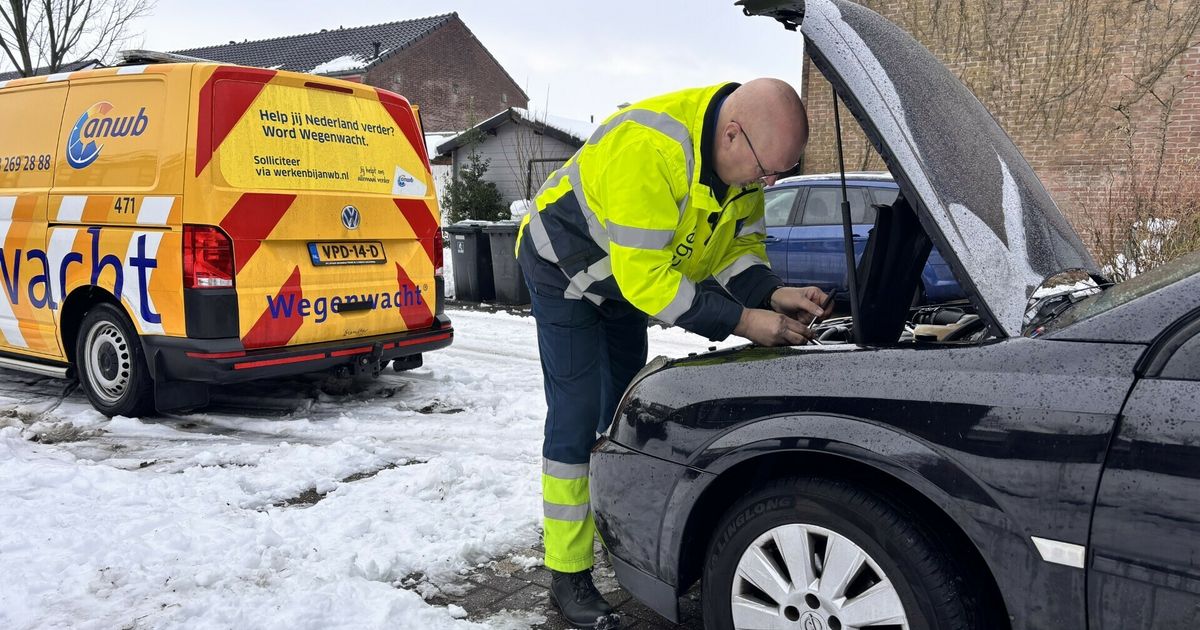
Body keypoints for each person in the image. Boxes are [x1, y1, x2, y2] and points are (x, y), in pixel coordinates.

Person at [515, 78, 829, 628]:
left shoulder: (745, 164)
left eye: (779, 173)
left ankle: (622, 537)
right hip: (564, 271)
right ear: (732, 134)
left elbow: (737, 250)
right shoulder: (650, 148)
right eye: (765, 171)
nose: (769, 182)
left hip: (623, 284)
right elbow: (650, 282)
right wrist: (743, 320)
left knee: (624, 410)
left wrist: (770, 294)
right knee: (578, 410)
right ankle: (568, 573)